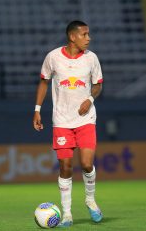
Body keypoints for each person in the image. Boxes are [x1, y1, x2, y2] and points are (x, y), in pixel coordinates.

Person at [33, 20, 103, 227]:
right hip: (62, 121)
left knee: (87, 164)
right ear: (73, 37)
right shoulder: (53, 57)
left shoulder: (92, 59)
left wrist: (89, 100)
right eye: (84, 34)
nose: (88, 38)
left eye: (88, 34)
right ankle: (67, 214)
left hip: (85, 119)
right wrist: (37, 110)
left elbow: (97, 85)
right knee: (65, 166)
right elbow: (44, 82)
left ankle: (90, 200)